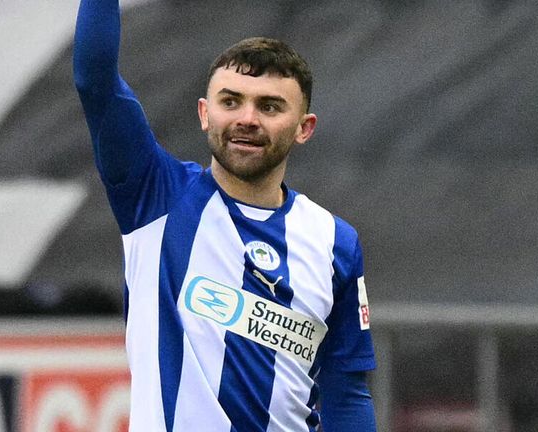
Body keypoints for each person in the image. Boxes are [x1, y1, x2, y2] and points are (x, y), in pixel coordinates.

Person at [73, 1, 376, 430]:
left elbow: (347, 391)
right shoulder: (156, 197)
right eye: (231, 101)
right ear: (204, 113)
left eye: (270, 107)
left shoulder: (335, 242)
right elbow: (95, 81)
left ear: (303, 127)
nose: (247, 119)